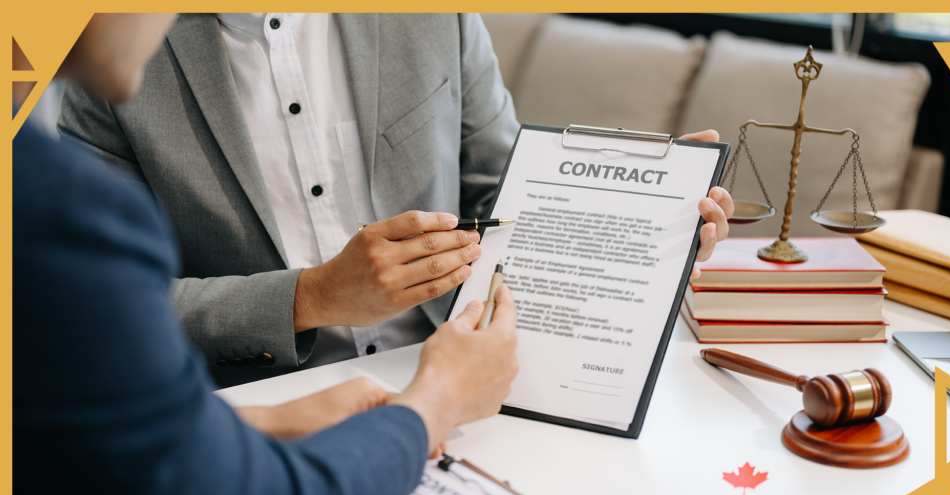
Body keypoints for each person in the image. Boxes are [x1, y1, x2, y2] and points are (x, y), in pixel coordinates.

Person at [14, 14, 520, 495]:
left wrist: (254, 425)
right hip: (290, 421)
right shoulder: (56, 202)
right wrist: (318, 301)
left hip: (456, 395)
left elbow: (511, 192)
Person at [59, 13, 735, 387]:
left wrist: (645, 225)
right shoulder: (112, 49)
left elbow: (502, 195)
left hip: (460, 378)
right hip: (261, 412)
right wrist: (313, 296)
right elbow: (105, 306)